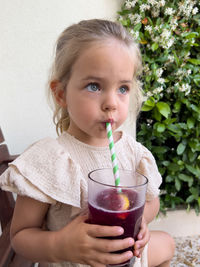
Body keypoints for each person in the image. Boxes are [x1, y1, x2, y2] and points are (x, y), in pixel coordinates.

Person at [0, 19, 175, 267]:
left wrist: (142, 220)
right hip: (71, 262)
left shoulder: (133, 153)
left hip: (124, 257)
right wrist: (61, 245)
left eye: (123, 88)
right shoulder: (51, 160)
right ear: (61, 94)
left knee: (167, 242)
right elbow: (20, 236)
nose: (111, 103)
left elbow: (152, 201)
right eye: (94, 86)